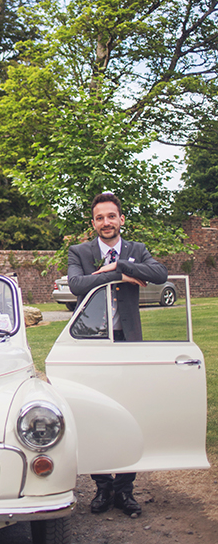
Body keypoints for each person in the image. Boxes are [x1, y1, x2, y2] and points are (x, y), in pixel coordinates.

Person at [67, 192, 168, 518]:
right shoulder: (79, 251)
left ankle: (125, 490)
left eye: (112, 216)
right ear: (93, 222)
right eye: (100, 218)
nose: (106, 223)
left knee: (128, 413)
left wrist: (120, 263)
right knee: (93, 413)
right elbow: (77, 285)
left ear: (121, 219)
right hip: (91, 342)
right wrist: (120, 275)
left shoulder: (136, 250)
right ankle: (102, 487)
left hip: (128, 342)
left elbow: (160, 274)